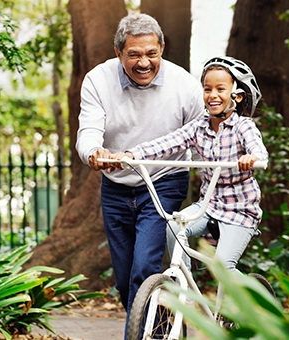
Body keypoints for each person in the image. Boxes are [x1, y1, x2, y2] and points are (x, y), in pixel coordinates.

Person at [75, 12, 203, 318]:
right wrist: (93, 152)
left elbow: (203, 136)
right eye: (133, 55)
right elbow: (89, 130)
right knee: (124, 282)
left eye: (151, 54)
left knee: (143, 267)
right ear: (119, 53)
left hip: (165, 179)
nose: (143, 63)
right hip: (116, 184)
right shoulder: (97, 80)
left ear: (162, 48)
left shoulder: (184, 85)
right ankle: (156, 325)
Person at [112, 56, 268, 274]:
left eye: (220, 89)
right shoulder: (198, 127)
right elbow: (166, 143)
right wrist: (130, 154)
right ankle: (184, 288)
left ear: (237, 96)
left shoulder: (244, 127)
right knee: (174, 226)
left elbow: (260, 153)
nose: (213, 95)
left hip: (239, 210)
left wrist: (252, 158)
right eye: (207, 89)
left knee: (223, 267)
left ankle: (253, 305)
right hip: (208, 206)